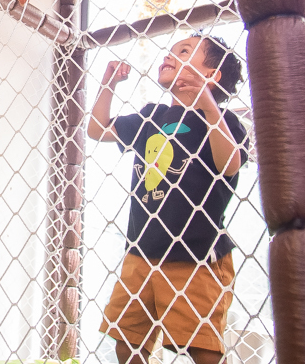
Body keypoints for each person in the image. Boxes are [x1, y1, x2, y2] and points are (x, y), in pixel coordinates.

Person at [88, 34, 249, 364]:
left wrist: (207, 104)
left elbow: (229, 164)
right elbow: (97, 129)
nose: (169, 56)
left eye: (184, 51)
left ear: (211, 75)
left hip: (196, 255)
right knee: (127, 341)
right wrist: (108, 84)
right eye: (171, 50)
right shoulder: (152, 116)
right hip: (141, 250)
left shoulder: (223, 121)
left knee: (202, 347)